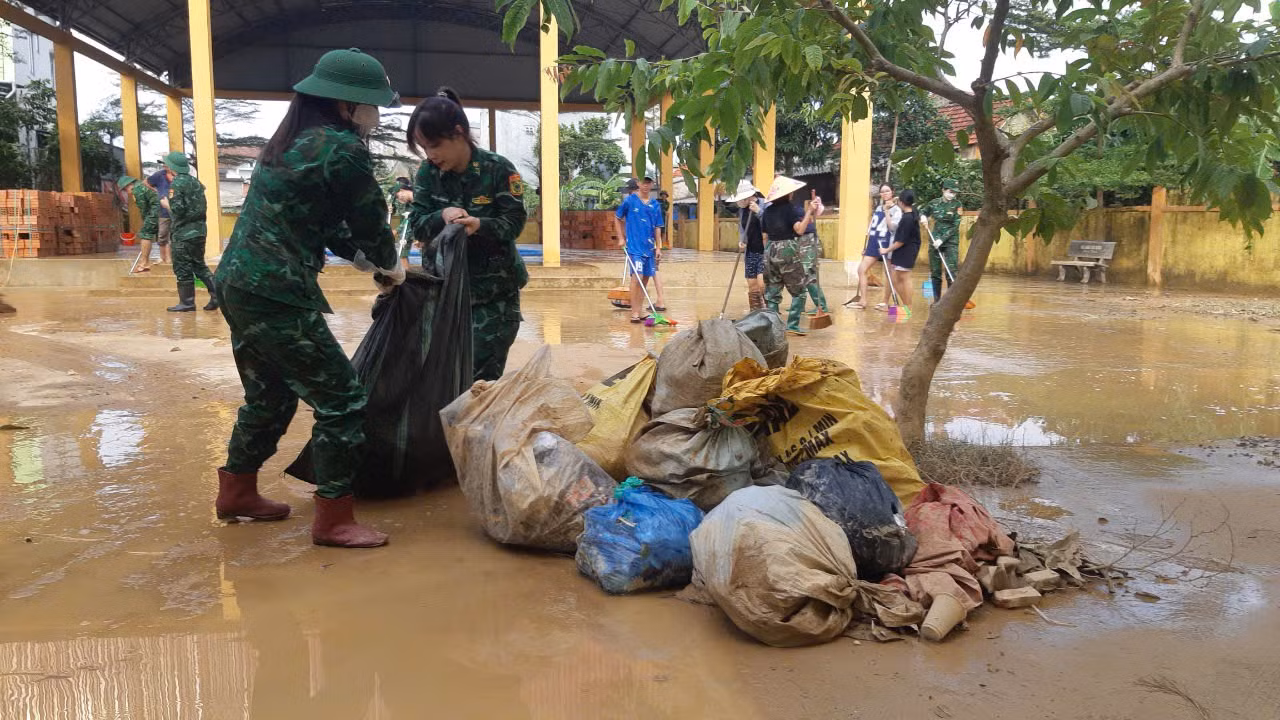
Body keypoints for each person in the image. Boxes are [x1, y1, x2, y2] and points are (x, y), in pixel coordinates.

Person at [212, 48, 404, 548]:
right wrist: (390, 264)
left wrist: (363, 261)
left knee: (270, 393)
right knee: (342, 399)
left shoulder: (294, 143)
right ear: (347, 105)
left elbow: (322, 223)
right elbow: (368, 222)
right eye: (371, 106)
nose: (374, 115)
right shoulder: (342, 148)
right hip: (277, 290)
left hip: (239, 282)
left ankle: (236, 492)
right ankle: (334, 518)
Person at [406, 87, 528, 381]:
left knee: (479, 381)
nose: (430, 155)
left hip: (492, 297)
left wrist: (480, 225)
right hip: (443, 295)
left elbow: (514, 221)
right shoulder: (427, 174)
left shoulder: (497, 169)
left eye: (434, 145)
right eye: (424, 148)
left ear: (458, 133)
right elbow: (417, 224)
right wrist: (441, 215)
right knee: (439, 377)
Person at [159, 151, 218, 312]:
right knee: (199, 265)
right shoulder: (196, 183)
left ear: (171, 167)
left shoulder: (177, 184)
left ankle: (187, 303)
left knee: (182, 268)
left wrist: (166, 205)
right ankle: (217, 295)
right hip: (199, 232)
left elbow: (178, 211)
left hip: (183, 234)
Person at [761, 176, 817, 336]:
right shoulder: (790, 209)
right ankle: (792, 324)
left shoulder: (767, 211)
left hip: (770, 250)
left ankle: (773, 327)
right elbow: (799, 230)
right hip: (787, 249)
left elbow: (764, 236)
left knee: (772, 292)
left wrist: (767, 254)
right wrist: (810, 212)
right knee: (799, 291)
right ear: (788, 194)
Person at [614, 176, 665, 323]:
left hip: (649, 249)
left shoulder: (655, 205)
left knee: (645, 279)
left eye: (649, 183)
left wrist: (658, 248)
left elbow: (657, 227)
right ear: (638, 184)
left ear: (652, 184)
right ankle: (634, 313)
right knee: (637, 277)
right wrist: (621, 238)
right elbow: (617, 217)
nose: (646, 185)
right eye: (643, 182)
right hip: (634, 247)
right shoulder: (630, 201)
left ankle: (639, 310)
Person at [849, 184, 901, 309]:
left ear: (892, 192)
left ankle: (885, 302)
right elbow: (872, 226)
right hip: (873, 243)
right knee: (861, 269)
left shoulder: (897, 210)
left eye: (887, 191)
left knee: (889, 273)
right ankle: (863, 301)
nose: (884, 194)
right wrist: (867, 245)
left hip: (887, 243)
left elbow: (893, 228)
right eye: (882, 192)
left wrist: (888, 211)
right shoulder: (878, 208)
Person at [921, 178, 963, 303]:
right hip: (934, 239)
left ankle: (950, 302)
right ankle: (936, 301)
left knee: (951, 271)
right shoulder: (934, 203)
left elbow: (955, 225)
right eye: (950, 191)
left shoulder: (957, 205)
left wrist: (942, 239)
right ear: (943, 190)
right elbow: (924, 211)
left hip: (950, 241)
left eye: (955, 192)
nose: (952, 195)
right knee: (935, 272)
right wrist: (923, 217)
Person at [726, 181, 766, 310]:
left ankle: (769, 310)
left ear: (749, 196)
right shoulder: (743, 210)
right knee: (752, 283)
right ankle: (755, 312)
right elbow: (742, 227)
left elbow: (771, 223)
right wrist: (742, 240)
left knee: (762, 283)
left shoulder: (765, 205)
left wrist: (759, 212)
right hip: (751, 250)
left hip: (765, 250)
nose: (739, 202)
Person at [880, 189, 921, 308]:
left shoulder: (907, 218)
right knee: (897, 278)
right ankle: (905, 306)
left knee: (904, 277)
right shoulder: (911, 213)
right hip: (903, 251)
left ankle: (907, 306)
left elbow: (900, 241)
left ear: (902, 203)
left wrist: (886, 250)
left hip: (906, 251)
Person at [795, 189, 830, 318]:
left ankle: (822, 306)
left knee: (809, 275)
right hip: (801, 241)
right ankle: (801, 305)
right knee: (802, 275)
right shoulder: (790, 205)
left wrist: (813, 208)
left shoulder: (794, 207)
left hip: (808, 241)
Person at [119, 175, 159, 273]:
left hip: (156, 211)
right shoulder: (142, 185)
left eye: (125, 189)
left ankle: (144, 263)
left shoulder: (137, 189)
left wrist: (146, 221)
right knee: (161, 234)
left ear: (129, 185)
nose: (127, 192)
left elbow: (144, 208)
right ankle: (164, 259)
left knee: (145, 234)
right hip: (162, 210)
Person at [147, 167, 173, 264]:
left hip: (176, 211)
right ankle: (163, 258)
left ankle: (170, 258)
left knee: (174, 236)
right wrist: (157, 191)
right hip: (164, 212)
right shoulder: (159, 175)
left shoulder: (179, 175)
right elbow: (146, 182)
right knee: (162, 235)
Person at [390, 177, 415, 269]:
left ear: (402, 190)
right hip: (412, 231)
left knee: (402, 255)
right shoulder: (409, 205)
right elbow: (408, 218)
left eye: (397, 195)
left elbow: (410, 219)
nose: (398, 199)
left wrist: (396, 230)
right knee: (402, 254)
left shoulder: (420, 199)